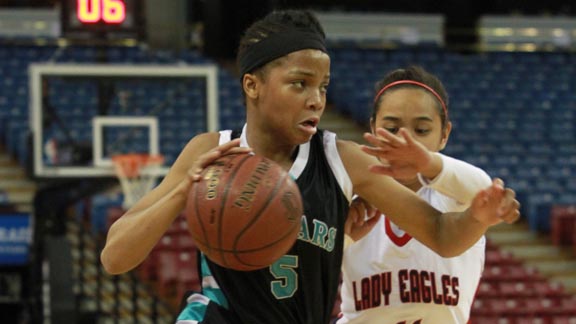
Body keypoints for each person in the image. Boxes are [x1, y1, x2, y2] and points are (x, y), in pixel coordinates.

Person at [100, 10, 519, 324]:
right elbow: (115, 257)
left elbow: (444, 235)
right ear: (253, 85)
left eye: (322, 86)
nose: (316, 99)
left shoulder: (344, 159)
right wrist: (182, 190)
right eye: (300, 84)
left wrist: (479, 217)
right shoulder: (212, 150)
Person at [338, 66, 493, 323]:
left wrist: (429, 163)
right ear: (373, 128)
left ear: (444, 134)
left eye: (421, 131)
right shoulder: (349, 199)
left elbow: (482, 187)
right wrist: (340, 241)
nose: (405, 141)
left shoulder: (458, 197)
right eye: (392, 128)